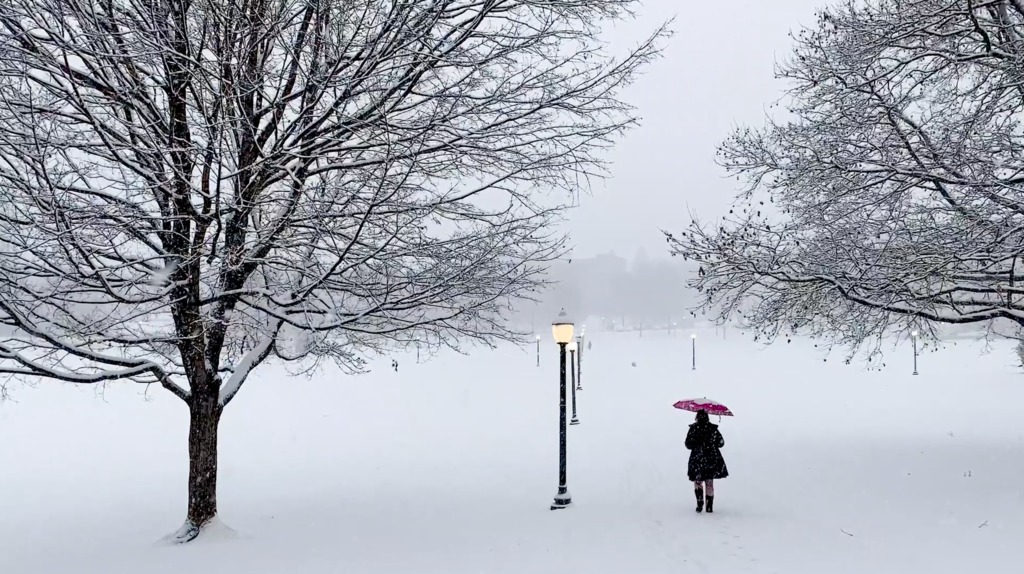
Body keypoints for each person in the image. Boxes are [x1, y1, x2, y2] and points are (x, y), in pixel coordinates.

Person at [685, 409, 728, 513]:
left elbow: (688, 444)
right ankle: (709, 507)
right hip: (711, 459)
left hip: (697, 458)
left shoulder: (694, 429)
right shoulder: (713, 429)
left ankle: (700, 502)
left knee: (698, 481)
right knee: (709, 482)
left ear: (697, 417)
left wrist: (696, 442)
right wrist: (711, 443)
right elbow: (721, 443)